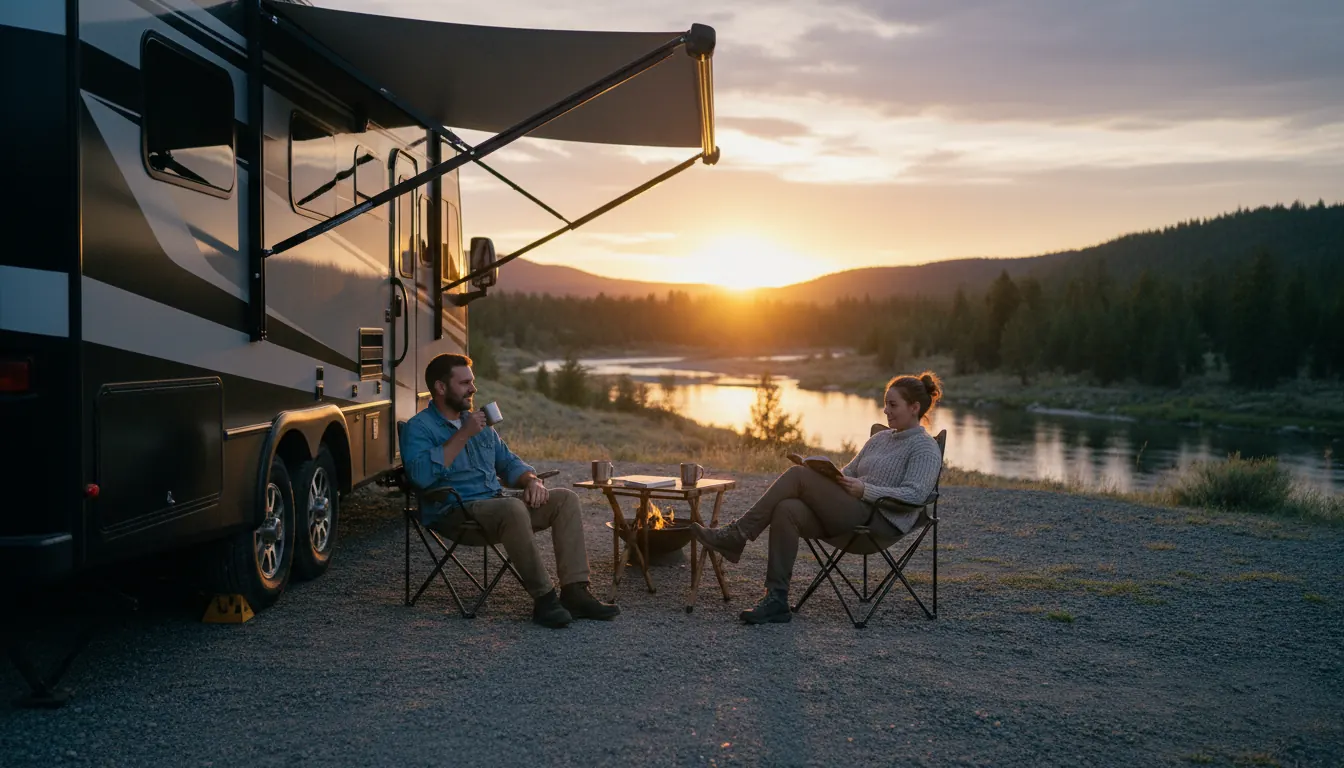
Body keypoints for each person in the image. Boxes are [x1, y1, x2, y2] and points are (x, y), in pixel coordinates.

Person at [692, 372, 945, 624]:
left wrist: (865, 490)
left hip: (878, 523)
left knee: (797, 476)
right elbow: (849, 473)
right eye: (885, 404)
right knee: (787, 509)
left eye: (893, 405)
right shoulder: (879, 439)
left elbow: (915, 495)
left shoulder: (924, 447)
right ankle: (776, 600)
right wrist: (827, 475)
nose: (886, 410)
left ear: (914, 407)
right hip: (848, 513)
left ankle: (737, 535)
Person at [400, 353, 620, 628]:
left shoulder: (479, 425)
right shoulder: (419, 428)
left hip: (497, 509)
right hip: (454, 513)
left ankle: (575, 592)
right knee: (512, 507)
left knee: (565, 499)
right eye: (464, 383)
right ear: (441, 387)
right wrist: (463, 434)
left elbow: (508, 463)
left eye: (472, 382)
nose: (473, 389)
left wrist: (531, 481)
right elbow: (420, 477)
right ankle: (545, 600)